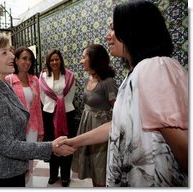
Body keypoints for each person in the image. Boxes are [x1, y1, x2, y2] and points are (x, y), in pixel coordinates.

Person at [61, 0, 188, 187]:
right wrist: (74, 142)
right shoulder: (138, 72)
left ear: (133, 29)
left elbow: (183, 147)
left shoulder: (154, 68)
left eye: (113, 28)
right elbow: (119, 126)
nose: (107, 36)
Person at [0, 32, 75, 187]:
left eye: (10, 50)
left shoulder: (1, 85)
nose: (12, 56)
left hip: (11, 169)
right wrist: (50, 147)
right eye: (4, 52)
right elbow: (7, 145)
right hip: (0, 172)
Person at [71, 44, 118, 187]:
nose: (81, 61)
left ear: (94, 60)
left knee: (100, 164)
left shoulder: (107, 82)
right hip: (87, 124)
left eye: (84, 57)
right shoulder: (90, 79)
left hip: (99, 127)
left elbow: (118, 109)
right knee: (91, 164)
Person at [5, 46, 44, 186]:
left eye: (30, 59)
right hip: (15, 129)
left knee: (29, 163)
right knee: (17, 161)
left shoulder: (34, 80)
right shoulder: (8, 80)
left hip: (32, 127)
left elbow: (38, 107)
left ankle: (29, 186)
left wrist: (40, 130)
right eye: (24, 58)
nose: (27, 62)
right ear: (15, 60)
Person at [39, 49, 76, 187]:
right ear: (48, 62)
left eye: (56, 59)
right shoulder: (43, 77)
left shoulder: (70, 76)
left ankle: (65, 175)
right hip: (49, 113)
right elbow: (43, 97)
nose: (54, 62)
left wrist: (61, 106)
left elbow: (70, 95)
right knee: (51, 144)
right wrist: (53, 105)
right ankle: (53, 174)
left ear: (60, 60)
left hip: (67, 112)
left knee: (67, 143)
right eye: (51, 60)